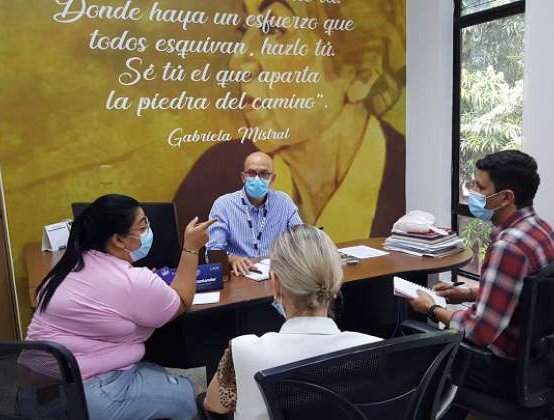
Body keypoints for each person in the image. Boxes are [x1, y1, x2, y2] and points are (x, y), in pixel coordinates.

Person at [174, 0, 406, 244]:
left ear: (362, 75)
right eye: (244, 31)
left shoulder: (407, 181)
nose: (237, 64)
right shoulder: (214, 178)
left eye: (273, 29)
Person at [20, 194, 215, 420]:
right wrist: (191, 248)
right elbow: (181, 301)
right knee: (193, 395)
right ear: (118, 240)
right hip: (91, 393)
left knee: (158, 373)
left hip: (40, 394)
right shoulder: (131, 281)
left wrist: (144, 288)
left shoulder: (67, 267)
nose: (149, 231)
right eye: (143, 227)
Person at [408, 150, 554, 405]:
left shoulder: (508, 246)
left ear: (505, 197)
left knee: (416, 348)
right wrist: (468, 293)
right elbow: (524, 292)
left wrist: (432, 308)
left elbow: (480, 332)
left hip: (504, 369)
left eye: (480, 188)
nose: (473, 195)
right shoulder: (542, 230)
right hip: (540, 362)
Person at [203, 225, 381, 419]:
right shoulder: (377, 351)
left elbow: (214, 405)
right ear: (336, 284)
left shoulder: (241, 352)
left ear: (276, 285)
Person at [206, 151, 302, 275]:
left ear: (272, 178)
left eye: (264, 174)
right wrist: (231, 258)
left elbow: (301, 240)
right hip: (241, 277)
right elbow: (213, 252)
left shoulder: (284, 202)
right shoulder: (223, 205)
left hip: (277, 275)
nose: (257, 179)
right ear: (243, 177)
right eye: (251, 173)